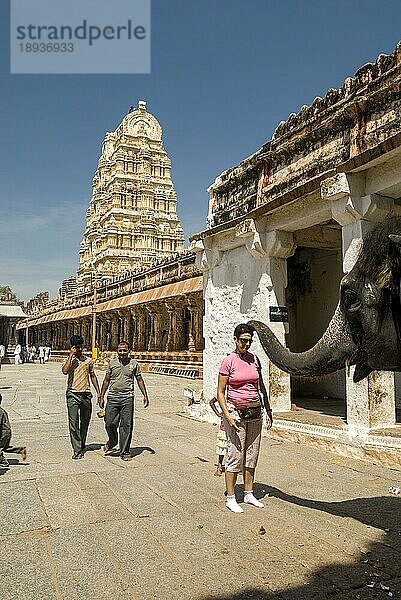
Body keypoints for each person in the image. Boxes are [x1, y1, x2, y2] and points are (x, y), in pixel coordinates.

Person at [217, 323, 273, 513]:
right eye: (243, 341)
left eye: (249, 341)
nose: (246, 345)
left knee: (252, 454)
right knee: (235, 455)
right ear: (235, 339)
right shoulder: (228, 361)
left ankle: (249, 493)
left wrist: (268, 409)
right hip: (236, 413)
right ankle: (231, 497)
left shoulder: (254, 359)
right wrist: (227, 415)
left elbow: (261, 386)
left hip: (255, 412)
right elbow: (220, 392)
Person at [99, 340, 149, 461]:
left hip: (127, 397)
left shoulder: (134, 364)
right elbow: (106, 380)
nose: (122, 353)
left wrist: (145, 395)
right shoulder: (112, 363)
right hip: (113, 397)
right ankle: (112, 440)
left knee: (126, 425)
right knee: (109, 423)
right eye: (120, 350)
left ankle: (125, 451)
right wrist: (101, 396)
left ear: (129, 351)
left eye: (125, 350)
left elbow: (139, 379)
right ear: (117, 351)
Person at [62, 335, 100, 459]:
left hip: (86, 394)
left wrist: (99, 392)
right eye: (76, 347)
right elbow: (65, 371)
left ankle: (81, 443)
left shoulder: (88, 361)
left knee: (85, 422)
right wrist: (70, 355)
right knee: (73, 423)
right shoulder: (70, 360)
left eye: (80, 347)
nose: (79, 349)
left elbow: (93, 376)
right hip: (72, 394)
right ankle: (77, 449)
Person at [0, 393, 27, 468]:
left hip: (3, 433)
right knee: (5, 447)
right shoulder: (2, 411)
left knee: (0, 448)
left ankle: (3, 462)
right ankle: (20, 450)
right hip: (6, 433)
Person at [209, 397, 228, 477]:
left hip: (236, 422)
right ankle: (219, 466)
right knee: (222, 446)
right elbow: (211, 402)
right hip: (225, 424)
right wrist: (218, 413)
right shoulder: (223, 393)